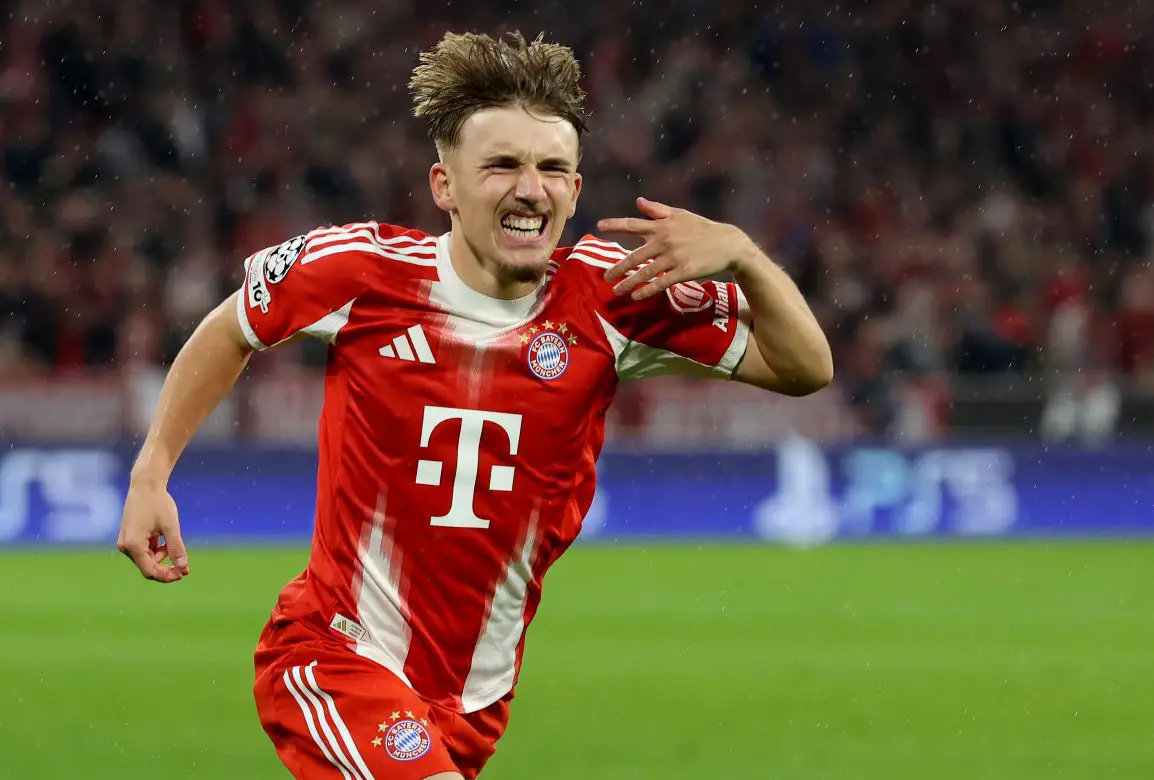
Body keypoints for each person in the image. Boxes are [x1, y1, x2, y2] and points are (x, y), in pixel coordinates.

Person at [115, 31, 833, 780]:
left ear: (577, 190)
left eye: (553, 168)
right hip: (333, 655)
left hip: (474, 701)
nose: (531, 188)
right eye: (502, 166)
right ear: (444, 186)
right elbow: (234, 327)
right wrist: (151, 474)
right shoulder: (362, 273)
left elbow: (805, 366)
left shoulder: (612, 298)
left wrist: (747, 257)